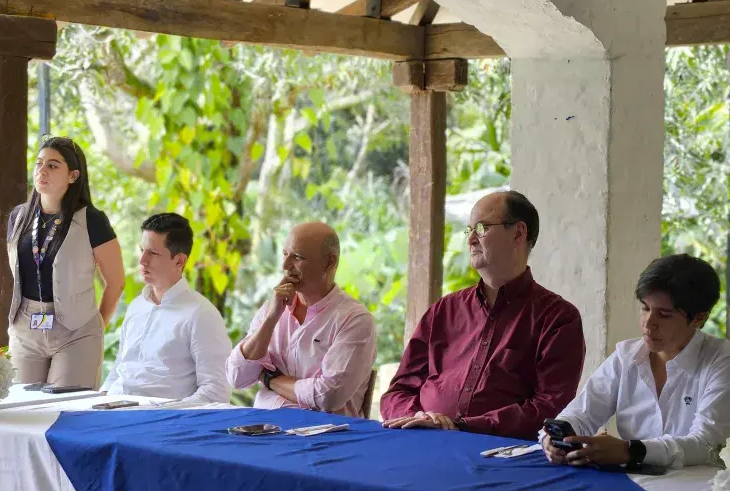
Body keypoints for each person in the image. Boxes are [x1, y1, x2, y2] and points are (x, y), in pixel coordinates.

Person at [381, 190, 586, 439]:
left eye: (481, 227)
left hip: (500, 457)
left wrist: (461, 426)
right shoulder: (443, 311)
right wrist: (418, 417)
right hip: (422, 441)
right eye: (469, 231)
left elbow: (549, 408)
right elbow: (398, 391)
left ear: (519, 233)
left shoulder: (557, 318)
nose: (470, 240)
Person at [542, 254, 730, 470]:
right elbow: (581, 413)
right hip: (630, 484)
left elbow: (705, 443)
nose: (649, 324)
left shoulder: (721, 360)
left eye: (664, 314)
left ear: (698, 318)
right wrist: (555, 439)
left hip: (695, 489)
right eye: (645, 308)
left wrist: (631, 450)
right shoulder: (627, 357)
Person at [7, 136, 124, 389]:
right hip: (25, 330)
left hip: (77, 332)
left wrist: (97, 325)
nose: (42, 171)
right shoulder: (18, 217)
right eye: (39, 163)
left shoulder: (92, 220)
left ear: (73, 176)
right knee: (21, 410)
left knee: (67, 409)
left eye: (52, 165)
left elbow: (115, 281)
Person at [226, 222, 376, 417]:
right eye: (285, 254)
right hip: (264, 431)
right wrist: (271, 319)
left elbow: (328, 396)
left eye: (297, 257)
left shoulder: (354, 319)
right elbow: (237, 378)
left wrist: (271, 380)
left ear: (329, 262)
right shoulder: (273, 307)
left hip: (324, 437)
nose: (285, 266)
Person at [100, 213, 231, 403]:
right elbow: (121, 366)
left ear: (179, 261)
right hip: (112, 409)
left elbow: (216, 391)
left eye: (152, 253)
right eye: (141, 250)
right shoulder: (137, 306)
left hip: (157, 420)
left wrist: (165, 414)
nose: (142, 260)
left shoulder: (201, 315)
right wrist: (99, 400)